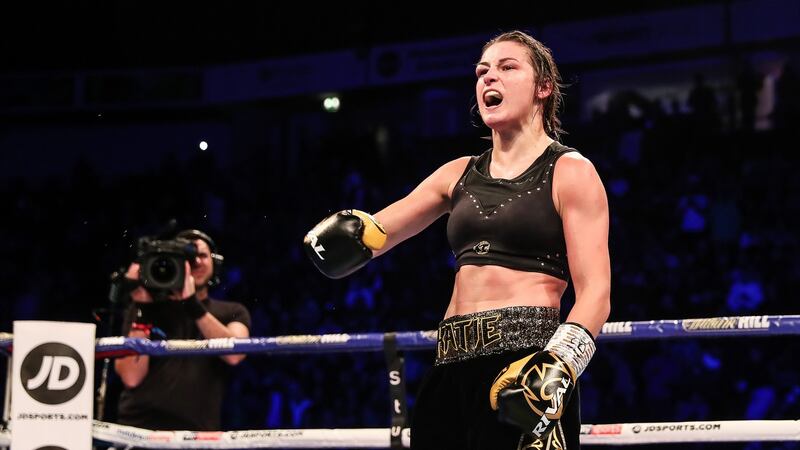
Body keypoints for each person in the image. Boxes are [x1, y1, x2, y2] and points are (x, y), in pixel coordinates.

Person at [304, 30, 610, 450]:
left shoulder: (571, 171)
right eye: (482, 71)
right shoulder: (457, 173)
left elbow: (597, 292)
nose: (488, 78)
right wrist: (349, 234)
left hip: (526, 364)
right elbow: (375, 233)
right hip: (449, 367)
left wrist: (557, 366)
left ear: (543, 87)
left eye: (507, 68)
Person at [115, 229, 251, 431]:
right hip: (139, 430)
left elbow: (235, 354)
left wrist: (191, 305)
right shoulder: (144, 309)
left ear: (216, 264)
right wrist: (143, 308)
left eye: (203, 255)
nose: (196, 262)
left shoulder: (231, 311)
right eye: (187, 256)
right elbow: (131, 377)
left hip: (196, 435)